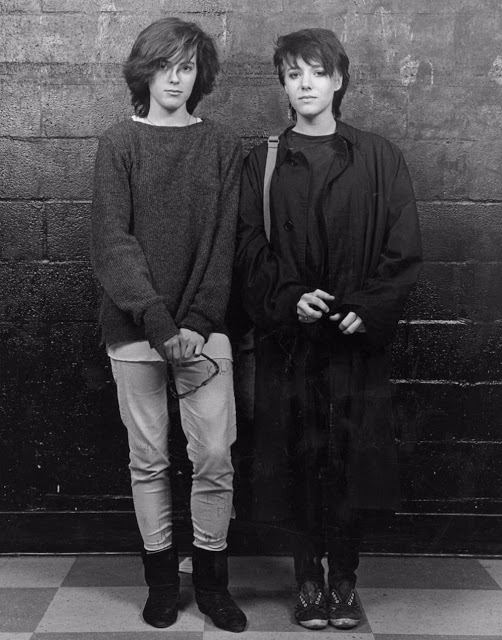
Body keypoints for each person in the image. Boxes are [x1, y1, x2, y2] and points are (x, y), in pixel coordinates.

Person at [234, 28, 422, 631]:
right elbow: (248, 248)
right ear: (283, 85)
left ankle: (344, 580)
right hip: (292, 342)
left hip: (354, 341)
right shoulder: (262, 161)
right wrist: (290, 298)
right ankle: (307, 582)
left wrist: (370, 306)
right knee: (297, 461)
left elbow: (403, 246)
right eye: (293, 74)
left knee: (349, 462)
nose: (306, 84)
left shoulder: (379, 156)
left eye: (317, 72)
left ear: (339, 79)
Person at [90, 17, 246, 634]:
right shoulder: (118, 143)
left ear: (199, 75)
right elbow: (112, 243)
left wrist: (199, 320)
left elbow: (225, 241)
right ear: (144, 72)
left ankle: (212, 584)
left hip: (205, 328)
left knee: (214, 455)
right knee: (150, 459)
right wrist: (158, 320)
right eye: (164, 66)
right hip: (135, 328)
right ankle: (161, 583)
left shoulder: (222, 145)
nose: (175, 79)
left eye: (186, 67)